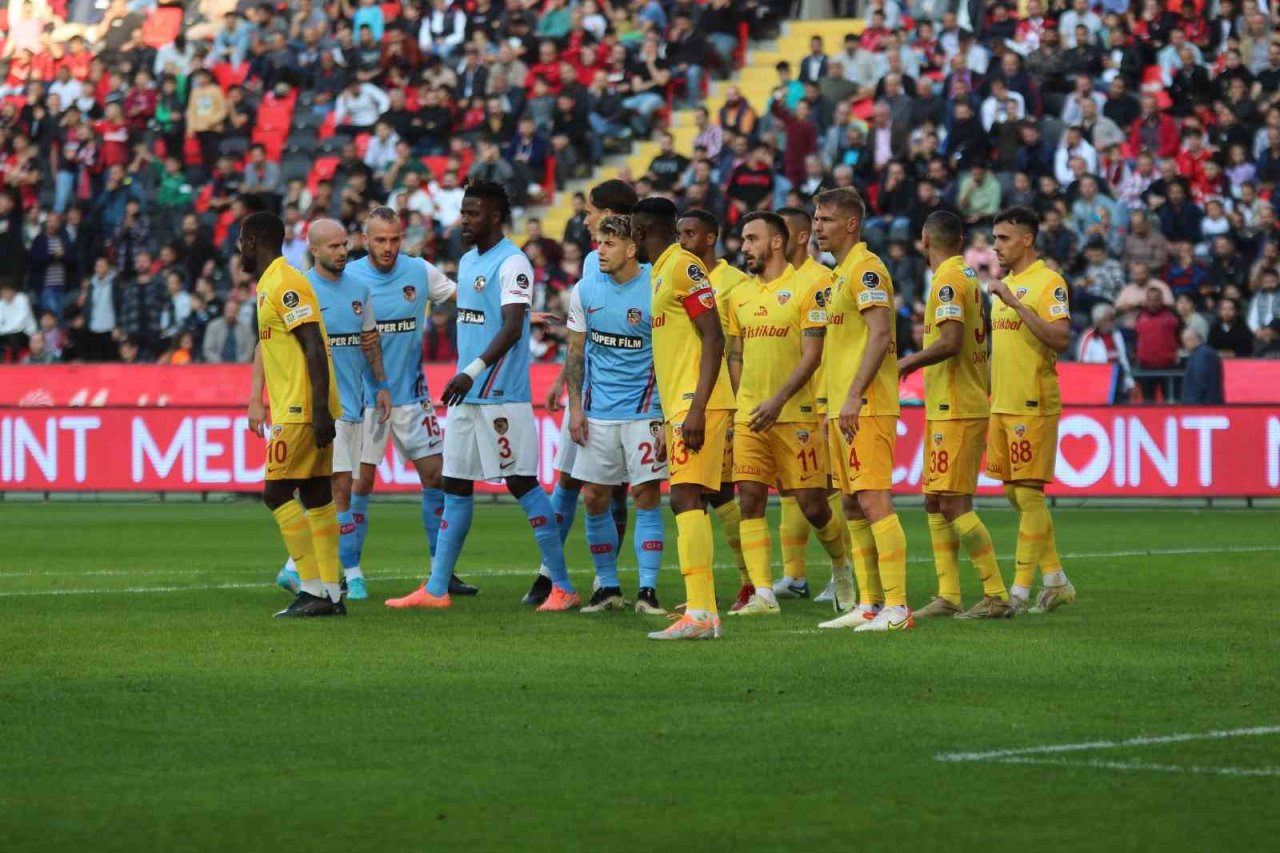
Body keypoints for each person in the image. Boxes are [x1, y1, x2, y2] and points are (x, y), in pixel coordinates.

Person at [394, 180, 579, 611]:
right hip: (469, 395)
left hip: (498, 394)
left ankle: (563, 586)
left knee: (521, 482)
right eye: (463, 211)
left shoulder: (513, 262)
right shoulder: (471, 259)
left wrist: (470, 371)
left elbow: (510, 327)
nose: (464, 220)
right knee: (454, 484)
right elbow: (495, 314)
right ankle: (437, 588)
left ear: (495, 217)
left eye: (473, 213)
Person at [332, 209, 478, 607]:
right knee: (359, 485)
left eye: (395, 239)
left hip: (412, 395)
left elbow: (467, 300)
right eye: (380, 240)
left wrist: (517, 314)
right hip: (364, 401)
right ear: (366, 239)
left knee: (436, 477)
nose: (388, 247)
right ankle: (350, 572)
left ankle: (440, 572)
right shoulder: (350, 280)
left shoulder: (420, 272)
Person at [722, 211, 849, 617]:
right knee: (750, 500)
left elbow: (813, 356)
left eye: (752, 239)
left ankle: (841, 567)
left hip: (796, 415)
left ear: (776, 242)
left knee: (813, 504)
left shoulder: (808, 288)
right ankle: (764, 594)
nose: (744, 247)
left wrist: (776, 401)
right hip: (750, 416)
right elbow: (735, 354)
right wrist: (742, 402)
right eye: (742, 239)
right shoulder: (739, 295)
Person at [261, 220, 392, 600]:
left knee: (333, 493)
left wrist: (380, 386)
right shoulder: (299, 288)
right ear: (313, 250)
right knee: (333, 491)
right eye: (333, 246)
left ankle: (305, 575)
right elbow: (266, 345)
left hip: (352, 406)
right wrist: (258, 398)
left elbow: (368, 341)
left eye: (344, 244)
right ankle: (346, 574)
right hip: (317, 409)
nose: (342, 252)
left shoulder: (359, 290)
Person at [898, 211, 1011, 619]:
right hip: (948, 403)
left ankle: (997, 594)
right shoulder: (964, 275)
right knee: (933, 500)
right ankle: (948, 596)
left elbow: (950, 341)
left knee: (954, 504)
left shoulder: (948, 279)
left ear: (925, 239)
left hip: (958, 406)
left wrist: (906, 362)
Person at [633, 196, 736, 640]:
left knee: (684, 498)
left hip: (700, 402)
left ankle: (699, 613)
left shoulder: (682, 266)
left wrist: (695, 407)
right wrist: (668, 417)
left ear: (639, 233)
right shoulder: (659, 273)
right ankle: (706, 610)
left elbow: (715, 337)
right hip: (682, 405)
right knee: (689, 499)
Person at [811, 188, 910, 633]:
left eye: (826, 219)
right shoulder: (840, 274)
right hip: (842, 408)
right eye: (815, 218)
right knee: (851, 504)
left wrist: (853, 395)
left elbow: (880, 332)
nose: (817, 226)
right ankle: (869, 603)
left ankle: (898, 607)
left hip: (865, 406)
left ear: (851, 224)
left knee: (873, 500)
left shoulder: (867, 270)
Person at [534, 180, 636, 607]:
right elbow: (582, 335)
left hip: (621, 398)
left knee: (611, 489)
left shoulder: (624, 263)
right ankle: (552, 576)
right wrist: (562, 380)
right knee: (573, 481)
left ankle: (594, 580)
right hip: (587, 392)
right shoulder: (598, 262)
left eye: (591, 210)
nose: (585, 217)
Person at [241, 212, 344, 618]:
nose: (239, 250)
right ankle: (332, 595)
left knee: (276, 493)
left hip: (301, 410)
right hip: (300, 407)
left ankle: (313, 589)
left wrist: (319, 410)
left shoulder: (285, 284)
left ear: (252, 242)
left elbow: (314, 345)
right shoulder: (268, 284)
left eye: (240, 242)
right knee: (317, 495)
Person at [561, 215, 666, 615]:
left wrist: (669, 416)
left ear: (631, 248)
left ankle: (648, 592)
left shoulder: (657, 285)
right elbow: (575, 354)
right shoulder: (585, 290)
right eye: (597, 243)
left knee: (646, 495)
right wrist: (576, 409)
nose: (599, 251)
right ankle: (607, 587)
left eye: (608, 243)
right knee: (594, 497)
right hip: (598, 412)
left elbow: (672, 353)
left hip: (645, 410)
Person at [987, 206, 1076, 615]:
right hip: (1002, 403)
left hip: (1033, 402)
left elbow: (1060, 337)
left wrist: (1017, 304)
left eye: (1004, 238)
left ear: (1026, 239)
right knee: (1014, 493)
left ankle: (1019, 592)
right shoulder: (1002, 286)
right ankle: (1055, 579)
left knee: (1028, 493)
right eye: (994, 238)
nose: (996, 246)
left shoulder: (1048, 282)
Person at [773, 206, 855, 606]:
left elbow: (824, 349)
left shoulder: (823, 281)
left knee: (826, 491)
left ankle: (846, 571)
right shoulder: (774, 283)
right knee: (792, 490)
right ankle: (794, 575)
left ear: (801, 237)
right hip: (786, 403)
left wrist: (827, 401)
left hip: (819, 402)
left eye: (781, 231)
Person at [1077, 303, 1136, 403]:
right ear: (1099, 321)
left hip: (1117, 380)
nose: (1113, 323)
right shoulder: (1088, 336)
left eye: (1113, 319)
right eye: (1110, 320)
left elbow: (1123, 359)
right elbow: (1083, 362)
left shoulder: (1116, 334)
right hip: (1096, 383)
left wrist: (1129, 382)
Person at [1181, 327, 1225, 404]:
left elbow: (1199, 380)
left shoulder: (1200, 355)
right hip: (1212, 402)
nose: (1184, 345)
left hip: (1202, 404)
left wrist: (1192, 403)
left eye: (1185, 341)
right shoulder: (1209, 352)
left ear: (1191, 339)